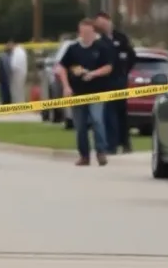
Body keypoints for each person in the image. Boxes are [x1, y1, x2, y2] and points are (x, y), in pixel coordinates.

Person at [55, 18, 115, 167]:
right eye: (83, 32)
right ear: (79, 32)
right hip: (78, 92)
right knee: (80, 125)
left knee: (97, 120)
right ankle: (84, 155)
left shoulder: (101, 47)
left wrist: (93, 74)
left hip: (97, 92)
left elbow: (108, 67)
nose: (86, 35)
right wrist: (66, 86)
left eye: (88, 32)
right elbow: (61, 68)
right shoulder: (73, 49)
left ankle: (101, 151)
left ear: (93, 32)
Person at [94, 11, 136, 154]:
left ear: (109, 21)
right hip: (106, 83)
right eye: (99, 24)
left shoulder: (121, 38)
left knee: (122, 113)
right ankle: (111, 145)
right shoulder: (99, 40)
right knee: (109, 114)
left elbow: (131, 56)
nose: (103, 26)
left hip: (120, 81)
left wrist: (125, 73)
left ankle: (125, 143)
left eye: (104, 22)